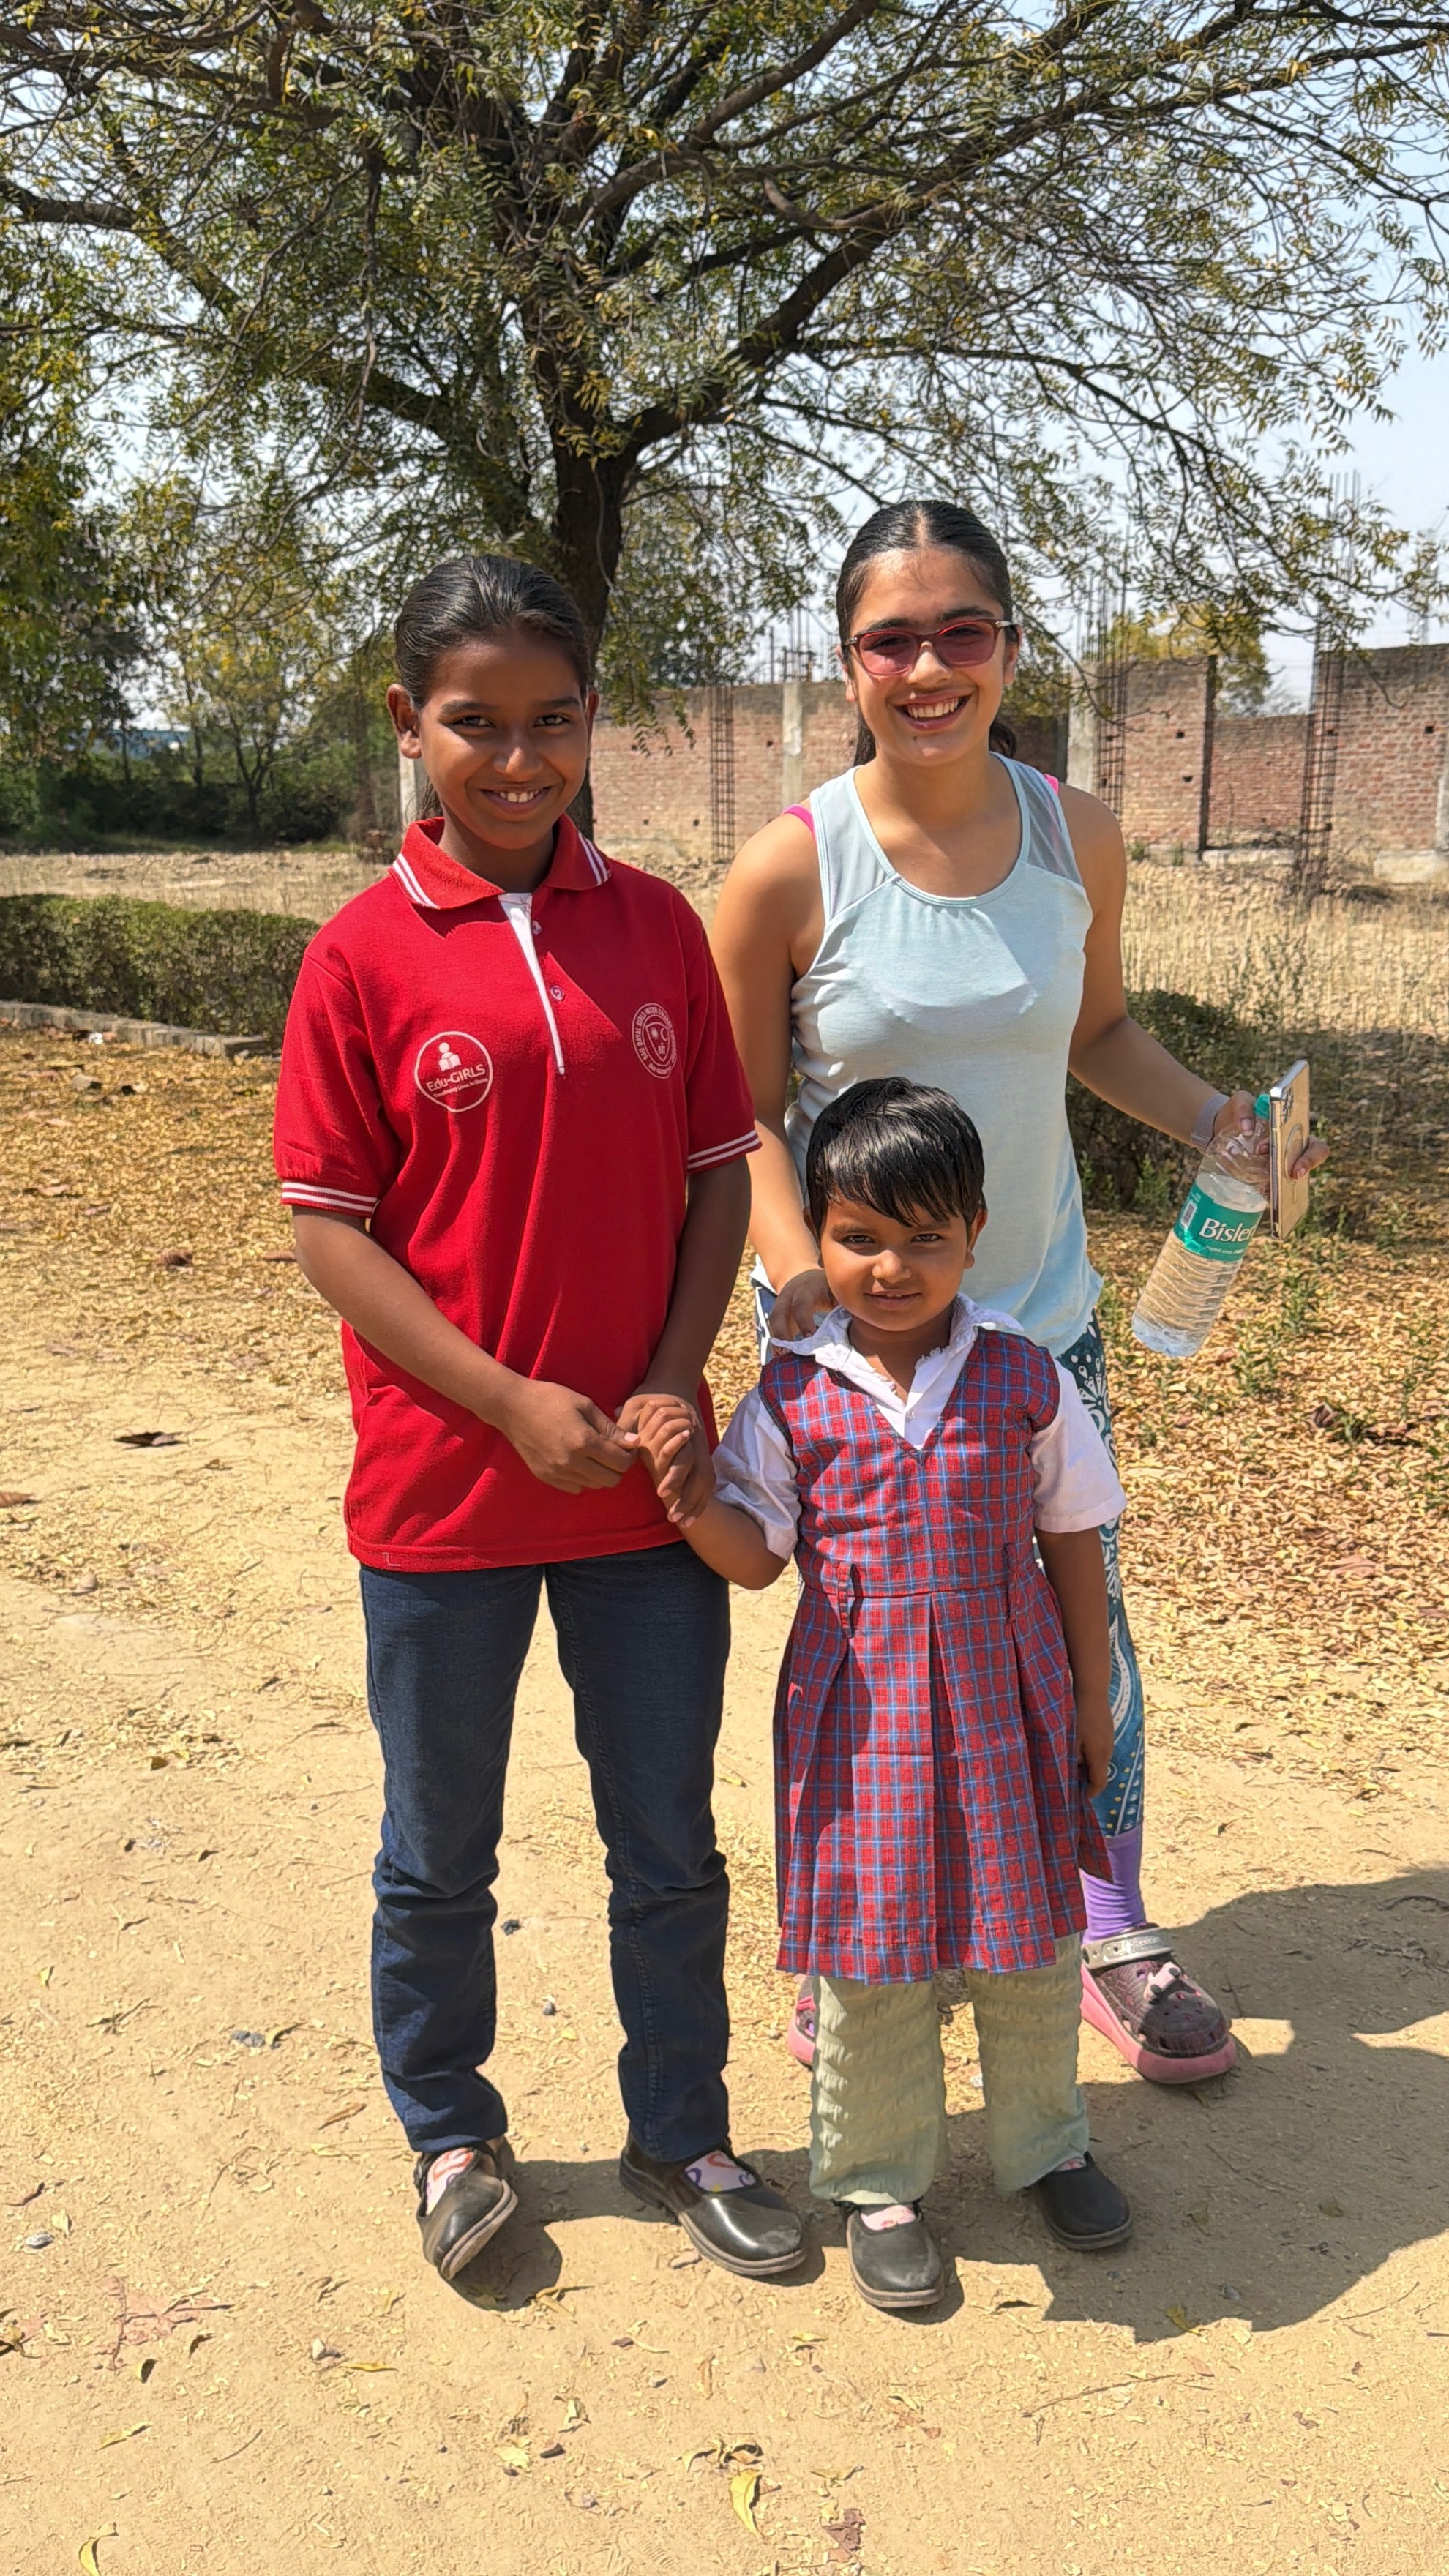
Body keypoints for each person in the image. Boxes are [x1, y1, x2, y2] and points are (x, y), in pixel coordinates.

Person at [711, 498, 1326, 2087]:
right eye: (891, 638)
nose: (928, 666)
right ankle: (861, 1944)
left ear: (1009, 648)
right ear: (848, 661)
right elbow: (737, 1124)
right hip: (856, 1351)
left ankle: (1103, 1919)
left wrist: (1214, 1123)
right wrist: (797, 1292)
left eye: (960, 631)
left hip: (1037, 1324)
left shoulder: (1078, 835)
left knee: (1078, 1634)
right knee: (869, 1644)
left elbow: (1096, 1030)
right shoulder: (790, 866)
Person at [274, 553, 805, 2286]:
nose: (517, 759)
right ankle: (450, 2129)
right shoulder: (358, 957)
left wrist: (666, 1378)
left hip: (649, 1490)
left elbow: (721, 1179)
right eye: (474, 723)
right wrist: (507, 1403)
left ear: (594, 718)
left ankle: (683, 2129)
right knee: (442, 1847)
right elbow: (329, 1228)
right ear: (408, 724)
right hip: (447, 1495)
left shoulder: (655, 925)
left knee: (668, 1833)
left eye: (552, 721)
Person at [632, 1079, 1134, 2310]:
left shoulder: (1023, 1375)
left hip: (1008, 1692)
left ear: (974, 1230)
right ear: (818, 1231)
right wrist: (692, 1497)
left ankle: (1046, 2144)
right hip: (861, 1720)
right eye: (859, 1237)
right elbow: (759, 1558)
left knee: (1032, 1937)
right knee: (873, 1949)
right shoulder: (792, 1395)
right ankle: (876, 2181)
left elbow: (1075, 1536)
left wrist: (1089, 1693)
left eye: (927, 1239)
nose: (893, 1267)